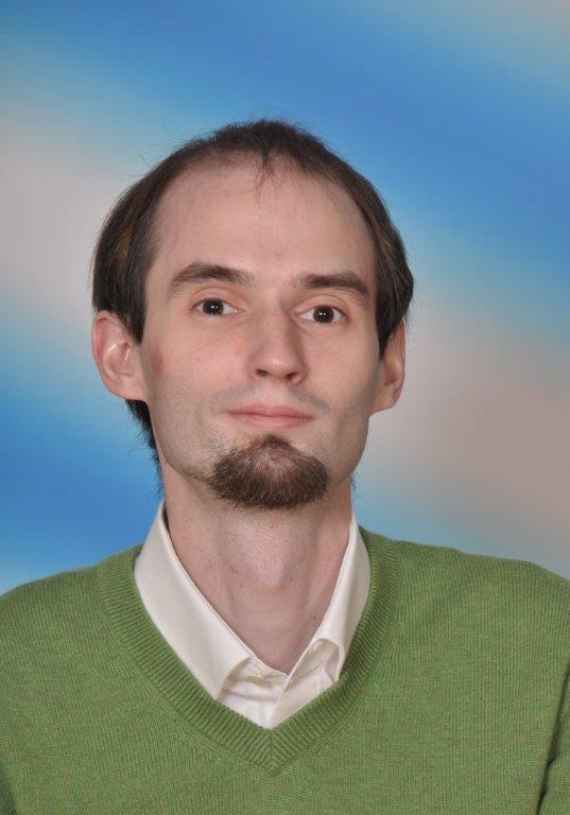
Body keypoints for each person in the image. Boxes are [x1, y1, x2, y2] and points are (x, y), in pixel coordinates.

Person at [1, 120, 568, 814]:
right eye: (215, 305)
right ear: (123, 356)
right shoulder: (13, 673)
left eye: (324, 312)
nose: (277, 355)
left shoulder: (546, 648)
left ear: (390, 366)